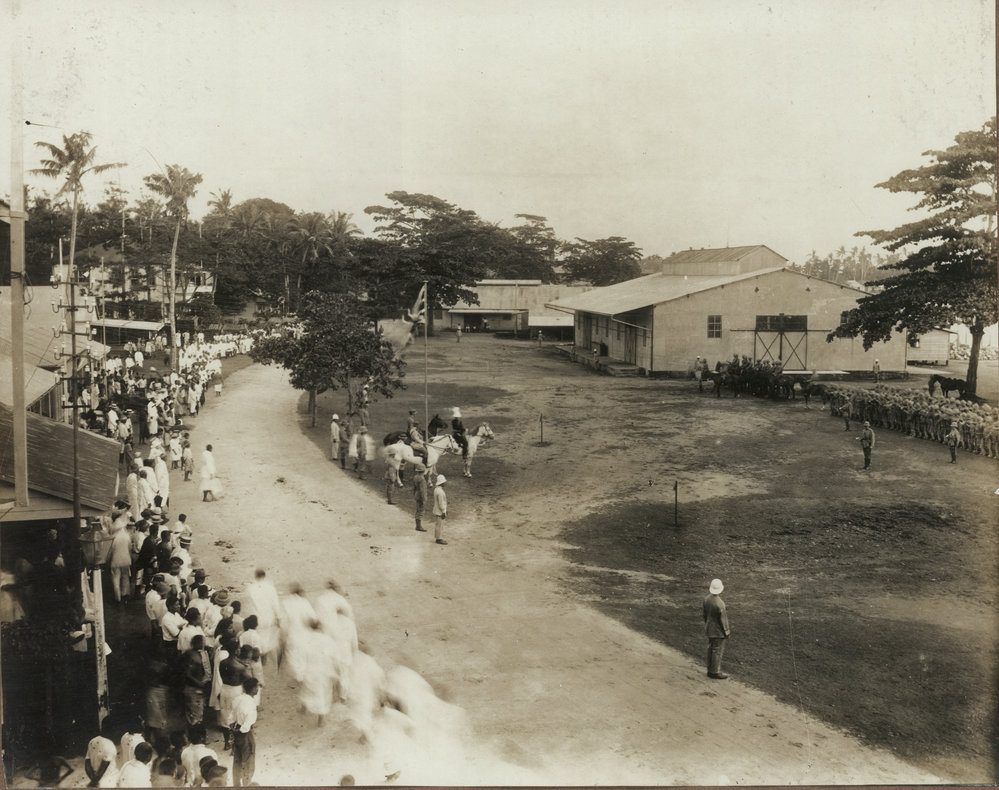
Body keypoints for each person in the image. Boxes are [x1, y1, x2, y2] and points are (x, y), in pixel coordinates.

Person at [231, 678, 260, 787]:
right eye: (256, 687)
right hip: (245, 733)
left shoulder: (237, 699)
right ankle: (246, 784)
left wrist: (234, 729)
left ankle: (236, 784)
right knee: (248, 760)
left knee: (237, 759)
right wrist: (242, 730)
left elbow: (231, 716)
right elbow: (248, 724)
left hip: (236, 729)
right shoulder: (251, 704)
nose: (257, 689)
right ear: (252, 689)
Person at [702, 578, 730, 679]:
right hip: (718, 631)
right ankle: (714, 671)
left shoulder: (706, 599)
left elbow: (704, 614)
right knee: (717, 651)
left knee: (710, 649)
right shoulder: (720, 604)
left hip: (709, 628)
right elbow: (723, 620)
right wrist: (726, 632)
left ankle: (710, 669)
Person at [412, 464, 428, 532]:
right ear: (423, 470)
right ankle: (418, 526)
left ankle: (417, 525)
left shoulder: (415, 477)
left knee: (418, 509)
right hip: (420, 495)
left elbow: (414, 488)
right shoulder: (422, 479)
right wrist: (424, 499)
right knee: (420, 510)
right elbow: (422, 490)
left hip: (416, 494)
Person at [432, 475, 448, 545]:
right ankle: (439, 539)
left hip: (436, 509)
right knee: (440, 525)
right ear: (441, 483)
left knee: (438, 525)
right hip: (440, 511)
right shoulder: (440, 492)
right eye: (444, 482)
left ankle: (438, 537)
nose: (445, 483)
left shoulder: (436, 489)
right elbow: (441, 503)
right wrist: (444, 511)